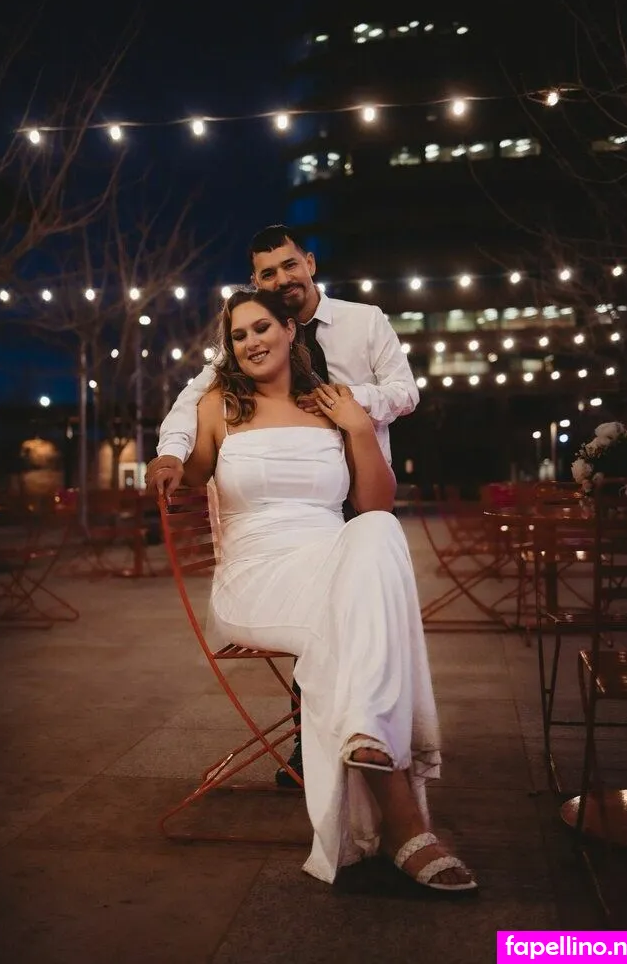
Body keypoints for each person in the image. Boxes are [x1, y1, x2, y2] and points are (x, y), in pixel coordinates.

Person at [147, 288, 476, 892]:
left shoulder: (329, 403)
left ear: (290, 330)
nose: (251, 342)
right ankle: (402, 818)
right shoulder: (220, 405)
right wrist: (170, 460)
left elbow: (375, 502)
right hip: (257, 576)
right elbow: (188, 469)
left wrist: (358, 428)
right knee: (350, 616)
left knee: (377, 531)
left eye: (261, 328)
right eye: (239, 335)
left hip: (330, 561)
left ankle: (371, 748)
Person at [153, 224, 420, 783]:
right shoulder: (231, 381)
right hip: (268, 542)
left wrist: (346, 406)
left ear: (310, 264)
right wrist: (171, 453)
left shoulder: (363, 322)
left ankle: (352, 737)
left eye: (289, 266)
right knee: (346, 608)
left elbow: (405, 392)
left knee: (374, 557)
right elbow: (188, 403)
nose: (282, 278)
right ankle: (329, 741)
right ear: (256, 282)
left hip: (347, 491)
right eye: (267, 273)